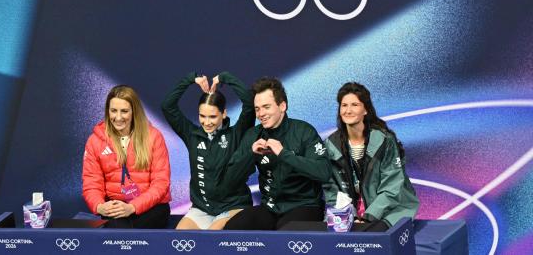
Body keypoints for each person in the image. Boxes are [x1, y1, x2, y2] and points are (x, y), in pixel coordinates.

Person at [217, 77, 332, 230]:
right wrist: (250, 155)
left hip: (304, 206)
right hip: (270, 208)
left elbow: (324, 172)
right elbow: (229, 181)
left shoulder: (304, 131)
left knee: (284, 238)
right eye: (257, 109)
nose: (260, 114)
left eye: (266, 107)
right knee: (233, 229)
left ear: (282, 106)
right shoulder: (253, 135)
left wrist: (284, 154)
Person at [161, 71, 255, 229]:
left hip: (232, 206)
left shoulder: (237, 134)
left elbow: (249, 104)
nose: (206, 122)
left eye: (212, 117)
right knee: (179, 239)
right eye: (202, 116)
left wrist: (224, 77)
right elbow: (167, 106)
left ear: (224, 113)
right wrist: (191, 79)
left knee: (212, 237)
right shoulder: (191, 135)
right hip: (202, 209)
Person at [323, 82, 419, 231]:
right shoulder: (331, 145)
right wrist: (350, 216)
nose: (348, 110)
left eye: (355, 105)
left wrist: (368, 217)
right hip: (348, 212)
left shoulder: (384, 141)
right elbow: (330, 187)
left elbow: (392, 188)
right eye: (344, 105)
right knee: (332, 239)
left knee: (370, 236)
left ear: (365, 110)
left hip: (388, 210)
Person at [82, 85, 171, 228]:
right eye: (113, 111)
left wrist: (132, 207)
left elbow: (161, 183)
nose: (118, 117)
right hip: (115, 206)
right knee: (118, 231)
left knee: (134, 231)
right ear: (107, 111)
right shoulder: (95, 141)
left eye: (124, 111)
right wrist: (100, 206)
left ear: (134, 112)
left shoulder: (154, 137)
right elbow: (91, 183)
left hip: (152, 207)